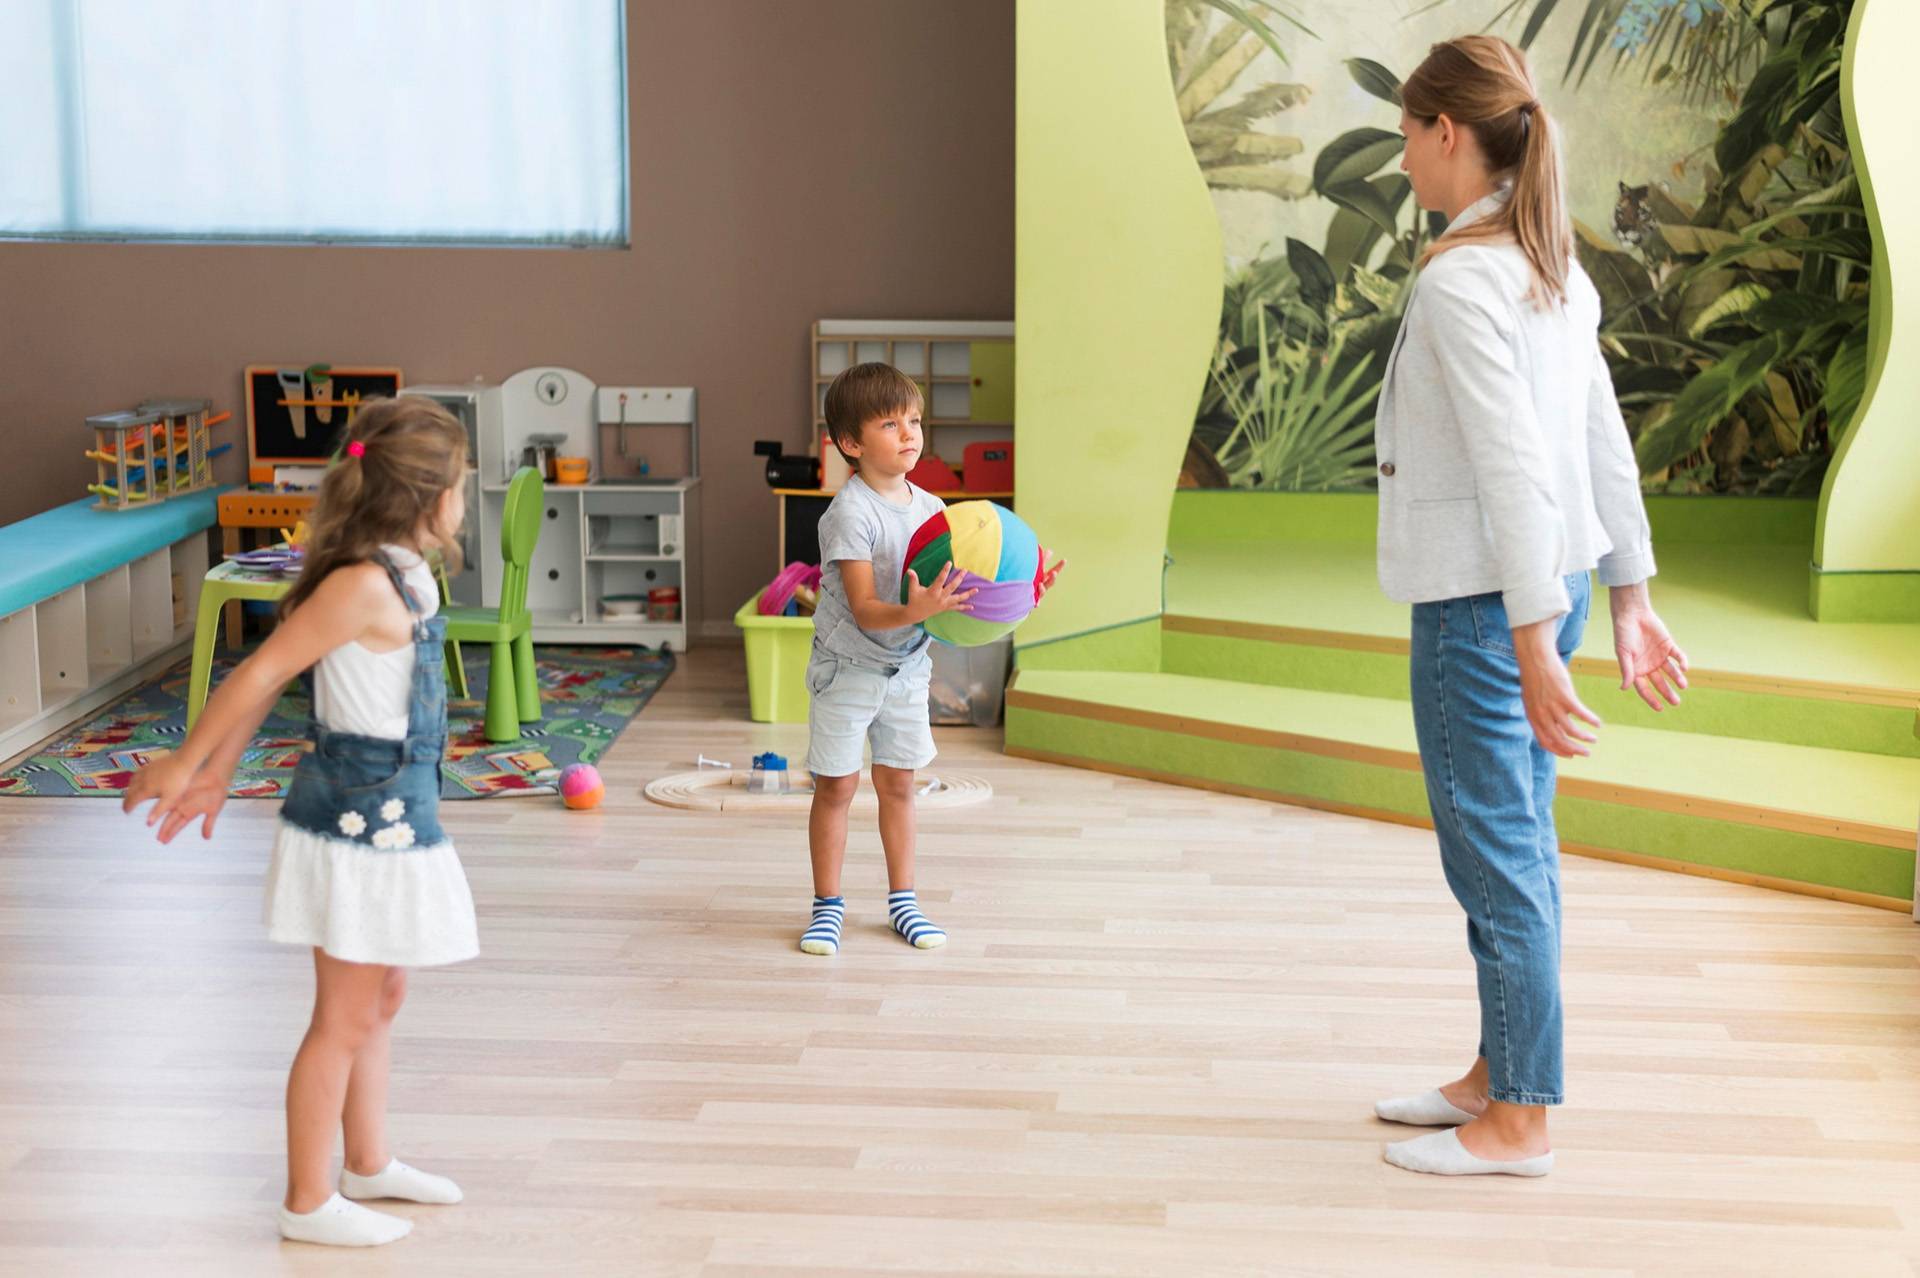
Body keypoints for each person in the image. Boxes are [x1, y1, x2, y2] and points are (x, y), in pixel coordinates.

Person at [1370, 35, 1690, 1177]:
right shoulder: (1548, 261)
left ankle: (1521, 1123)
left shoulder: (1463, 278)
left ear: (1446, 133)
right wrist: (1626, 598)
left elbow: (1514, 466)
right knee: (1515, 849)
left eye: (1409, 135)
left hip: (1481, 605)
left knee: (1496, 857)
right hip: (1533, 593)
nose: (1404, 159)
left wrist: (1528, 640)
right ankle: (1498, 1074)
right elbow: (1601, 444)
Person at [123, 397, 477, 1243]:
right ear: (427, 495)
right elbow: (259, 676)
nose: (466, 500)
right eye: (462, 484)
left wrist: (223, 773)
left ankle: (368, 1161)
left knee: (382, 995)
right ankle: (307, 1202)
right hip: (353, 826)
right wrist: (193, 766)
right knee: (342, 1018)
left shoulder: (406, 573)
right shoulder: (358, 585)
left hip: (397, 817)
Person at [799, 362, 1059, 956]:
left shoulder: (935, 507)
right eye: (891, 423)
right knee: (836, 789)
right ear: (851, 443)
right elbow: (866, 609)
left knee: (899, 787)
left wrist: (1026, 589)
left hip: (907, 669)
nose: (910, 433)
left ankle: (903, 902)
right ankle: (827, 907)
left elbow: (963, 594)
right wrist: (920, 609)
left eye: (914, 420)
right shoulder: (849, 514)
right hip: (847, 670)